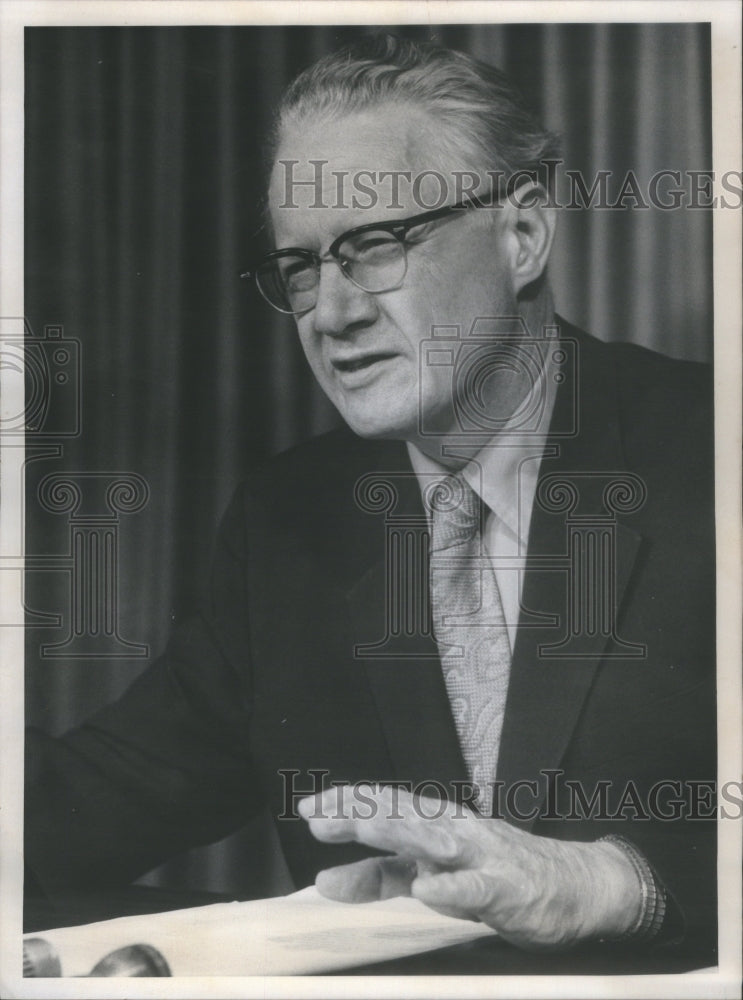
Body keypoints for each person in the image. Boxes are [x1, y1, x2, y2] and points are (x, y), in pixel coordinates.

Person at [25, 35, 716, 964]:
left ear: (521, 235)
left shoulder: (714, 454)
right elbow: (91, 800)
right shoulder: (291, 520)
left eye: (374, 245)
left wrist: (615, 882)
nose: (330, 312)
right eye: (302, 266)